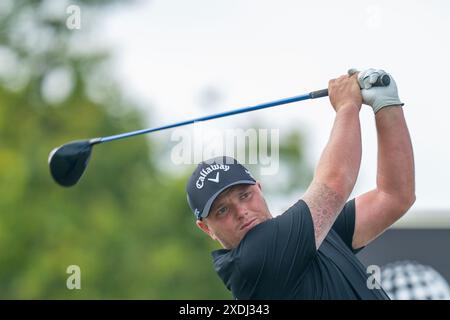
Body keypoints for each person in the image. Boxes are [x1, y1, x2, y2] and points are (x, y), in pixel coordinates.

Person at [185, 68, 415, 299]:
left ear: (259, 188)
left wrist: (386, 104)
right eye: (222, 210)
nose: (242, 212)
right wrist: (346, 106)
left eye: (245, 195)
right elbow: (335, 182)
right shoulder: (252, 262)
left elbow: (394, 196)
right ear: (206, 228)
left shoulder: (310, 234)